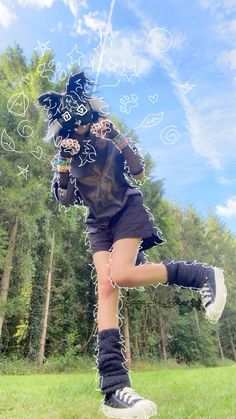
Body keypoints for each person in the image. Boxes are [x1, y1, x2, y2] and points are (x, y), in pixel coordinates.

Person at [38, 72, 227, 419]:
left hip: (126, 208)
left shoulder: (108, 140)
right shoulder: (66, 156)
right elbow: (65, 199)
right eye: (70, 129)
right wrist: (65, 162)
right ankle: (113, 389)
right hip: (98, 224)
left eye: (83, 123)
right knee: (106, 288)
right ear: (61, 131)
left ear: (90, 116)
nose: (79, 131)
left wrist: (118, 137)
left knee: (122, 275)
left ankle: (199, 275)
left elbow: (138, 172)